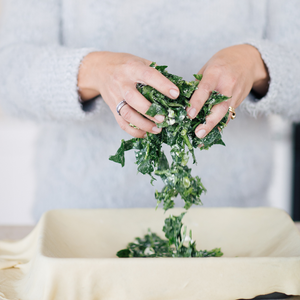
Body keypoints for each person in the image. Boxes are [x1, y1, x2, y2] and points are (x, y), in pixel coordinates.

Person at [0, 0, 299, 221]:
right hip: (82, 229)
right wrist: (93, 71)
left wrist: (258, 64)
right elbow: (9, 72)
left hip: (232, 226)